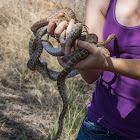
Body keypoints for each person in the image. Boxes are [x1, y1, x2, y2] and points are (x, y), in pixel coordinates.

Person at [47, 0, 140, 139]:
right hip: (100, 129)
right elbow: (91, 75)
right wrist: (73, 44)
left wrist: (107, 63)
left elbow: (102, 63)